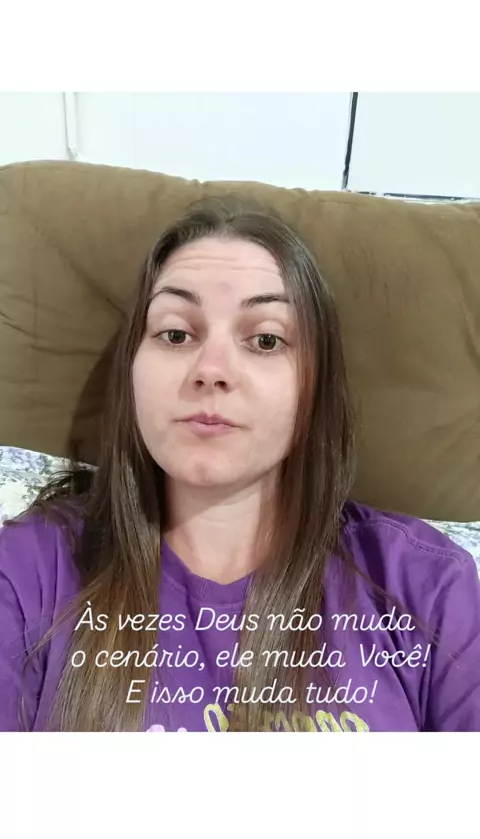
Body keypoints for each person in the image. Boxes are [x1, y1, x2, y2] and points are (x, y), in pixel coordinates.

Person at [0, 196, 479, 733]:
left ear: (316, 387)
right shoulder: (28, 571)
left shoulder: (429, 588)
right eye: (176, 334)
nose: (211, 369)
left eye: (266, 340)